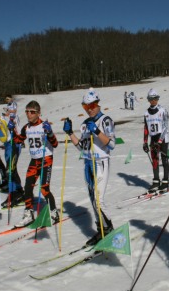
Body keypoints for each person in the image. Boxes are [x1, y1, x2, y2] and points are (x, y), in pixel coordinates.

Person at [63, 88, 116, 246]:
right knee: (93, 201)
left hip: (100, 162)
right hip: (88, 163)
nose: (90, 109)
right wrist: (70, 133)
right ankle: (101, 231)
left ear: (98, 103)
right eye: (86, 107)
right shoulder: (85, 124)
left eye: (92, 105)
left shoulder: (105, 120)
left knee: (99, 200)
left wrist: (98, 131)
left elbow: (111, 144)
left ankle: (109, 231)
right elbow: (82, 147)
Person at [14, 101, 60, 227]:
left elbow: (55, 144)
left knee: (44, 189)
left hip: (46, 159)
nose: (29, 114)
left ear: (38, 113)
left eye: (32, 112)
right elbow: (18, 140)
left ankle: (54, 213)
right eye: (27, 112)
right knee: (28, 188)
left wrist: (49, 133)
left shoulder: (44, 126)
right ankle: (29, 214)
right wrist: (11, 130)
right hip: (34, 160)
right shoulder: (26, 127)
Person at [142, 88, 169, 193]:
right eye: (151, 99)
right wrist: (145, 142)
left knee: (164, 159)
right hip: (153, 138)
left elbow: (165, 127)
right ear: (148, 100)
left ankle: (166, 181)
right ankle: (156, 181)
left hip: (162, 138)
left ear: (158, 99)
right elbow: (146, 128)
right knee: (154, 160)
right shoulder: (146, 113)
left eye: (155, 98)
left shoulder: (163, 110)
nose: (153, 101)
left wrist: (159, 141)